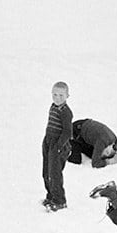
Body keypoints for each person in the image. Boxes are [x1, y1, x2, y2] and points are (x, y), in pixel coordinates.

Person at [41, 81, 73, 212]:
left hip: (58, 144)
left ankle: (60, 200)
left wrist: (58, 146)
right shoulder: (53, 107)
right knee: (46, 171)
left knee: (55, 173)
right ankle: (51, 195)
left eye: (61, 95)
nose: (57, 98)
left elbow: (67, 132)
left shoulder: (66, 112)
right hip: (49, 141)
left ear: (67, 96)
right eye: (54, 94)